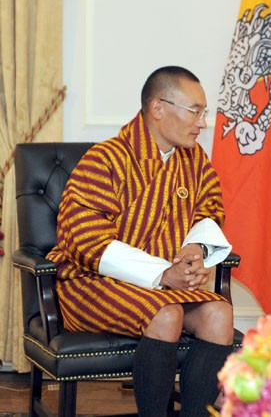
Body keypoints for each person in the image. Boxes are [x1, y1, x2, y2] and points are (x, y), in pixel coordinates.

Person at [47, 66, 235, 417]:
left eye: (203, 112)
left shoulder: (193, 160)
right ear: (158, 108)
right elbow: (87, 241)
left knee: (219, 314)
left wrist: (195, 249)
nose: (202, 123)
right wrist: (164, 274)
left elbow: (209, 211)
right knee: (166, 315)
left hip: (164, 285)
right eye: (195, 111)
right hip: (91, 283)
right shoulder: (104, 160)